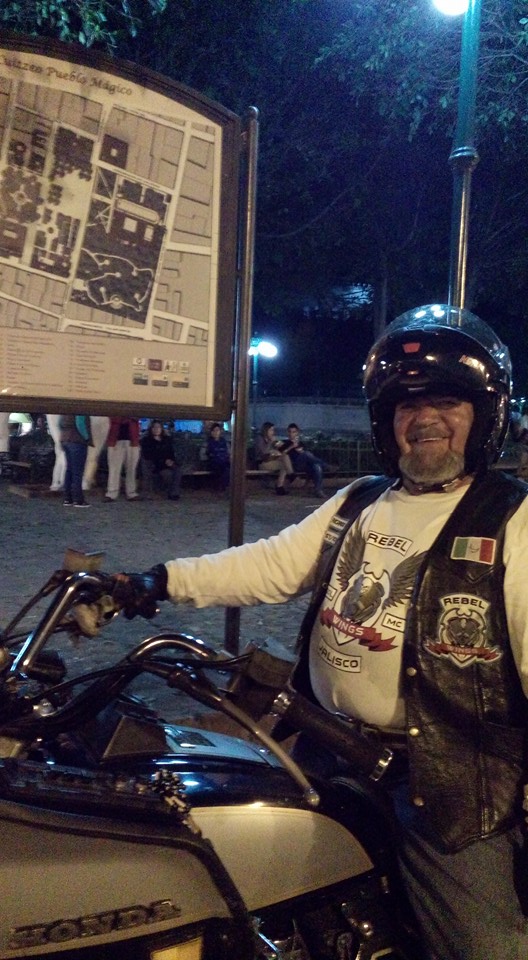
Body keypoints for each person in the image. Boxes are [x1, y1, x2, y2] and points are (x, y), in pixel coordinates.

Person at [114, 304, 528, 960]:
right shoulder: (360, 501)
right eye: (406, 405)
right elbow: (271, 564)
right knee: (250, 880)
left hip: (446, 781)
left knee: (485, 946)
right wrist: (157, 581)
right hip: (326, 746)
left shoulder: (512, 521)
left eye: (447, 402)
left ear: (485, 414)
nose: (424, 419)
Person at [280, 422, 326, 498]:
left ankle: (318, 490)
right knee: (306, 454)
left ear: (297, 433)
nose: (291, 434)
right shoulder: (285, 443)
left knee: (317, 466)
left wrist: (301, 451)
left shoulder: (301, 443)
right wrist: (292, 447)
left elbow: (308, 457)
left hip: (304, 465)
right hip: (293, 465)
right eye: (290, 432)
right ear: (287, 432)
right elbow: (281, 453)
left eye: (293, 432)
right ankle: (326, 466)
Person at [140, 419, 182, 500]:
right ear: (151, 429)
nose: (156, 429)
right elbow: (149, 455)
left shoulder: (166, 440)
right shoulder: (147, 441)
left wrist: (171, 460)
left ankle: (174, 492)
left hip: (168, 462)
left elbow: (171, 451)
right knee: (167, 474)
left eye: (158, 427)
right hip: (156, 464)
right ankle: (170, 491)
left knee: (178, 471)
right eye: (154, 427)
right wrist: (163, 460)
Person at [58, 414, 92, 508]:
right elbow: (80, 424)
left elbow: (59, 423)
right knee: (78, 472)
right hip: (77, 440)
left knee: (69, 470)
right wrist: (87, 437)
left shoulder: (65, 410)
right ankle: (78, 500)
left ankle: (67, 498)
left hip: (65, 440)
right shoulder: (79, 409)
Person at [105, 416, 141, 502]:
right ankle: (112, 493)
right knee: (114, 469)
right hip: (116, 440)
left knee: (131, 469)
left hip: (131, 440)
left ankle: (130, 492)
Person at [255, 421, 293, 495]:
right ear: (266, 430)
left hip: (271, 460)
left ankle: (280, 486)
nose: (273, 432)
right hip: (262, 462)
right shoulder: (259, 439)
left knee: (285, 459)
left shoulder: (272, 440)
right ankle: (290, 475)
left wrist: (289, 445)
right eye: (271, 430)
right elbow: (263, 452)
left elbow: (282, 449)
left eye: (273, 430)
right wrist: (270, 442)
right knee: (285, 464)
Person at [205, 422, 231, 491]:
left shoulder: (224, 442)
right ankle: (218, 487)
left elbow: (229, 452)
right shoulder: (208, 442)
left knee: (227, 468)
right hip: (213, 462)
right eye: (214, 431)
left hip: (224, 461)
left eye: (217, 430)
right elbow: (204, 454)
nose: (216, 432)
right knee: (219, 468)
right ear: (211, 432)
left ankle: (224, 486)